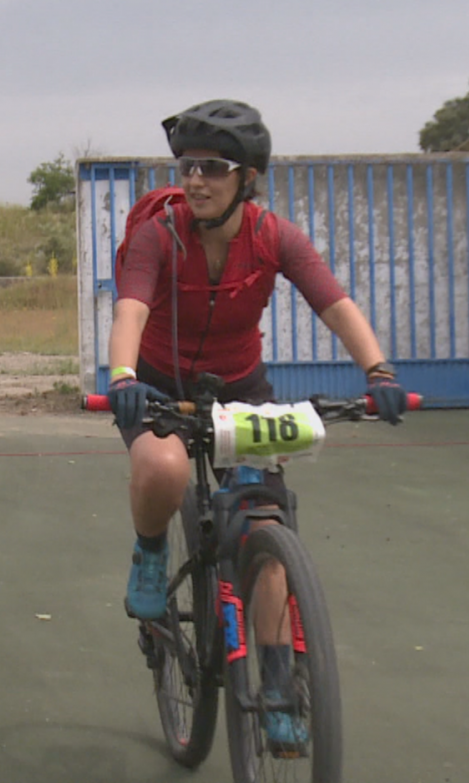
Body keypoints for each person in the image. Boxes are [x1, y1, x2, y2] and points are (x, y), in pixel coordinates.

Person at [107, 99, 407, 748]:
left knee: (263, 532)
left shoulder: (275, 237)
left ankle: (277, 686)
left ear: (247, 177)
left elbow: (335, 304)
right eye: (187, 166)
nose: (195, 180)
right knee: (163, 466)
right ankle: (153, 552)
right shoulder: (160, 234)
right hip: (157, 385)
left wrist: (378, 371)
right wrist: (123, 378)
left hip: (240, 390)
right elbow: (130, 307)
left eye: (212, 167)